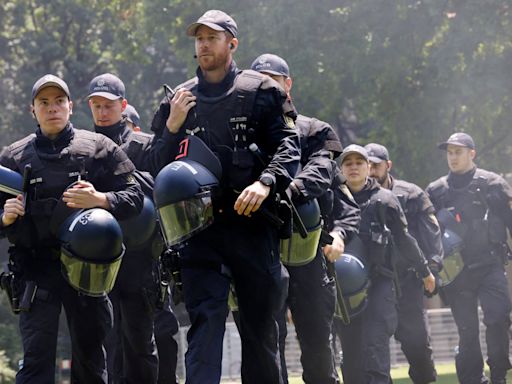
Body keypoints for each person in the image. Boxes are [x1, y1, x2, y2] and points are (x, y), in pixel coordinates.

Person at [148, 9, 300, 384]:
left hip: (253, 228)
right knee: (205, 323)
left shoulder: (262, 92)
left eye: (211, 37)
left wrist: (265, 182)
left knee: (260, 333)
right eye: (198, 38)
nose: (203, 45)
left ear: (232, 43)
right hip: (200, 234)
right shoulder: (178, 100)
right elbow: (152, 165)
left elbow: (289, 146)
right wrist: (171, 127)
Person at [0, 74, 143, 383]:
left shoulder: (99, 148)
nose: (53, 108)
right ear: (32, 110)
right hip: (34, 270)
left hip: (89, 271)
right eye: (44, 103)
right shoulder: (12, 157)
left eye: (59, 101)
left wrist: (101, 198)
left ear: (70, 106)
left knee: (91, 364)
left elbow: (135, 198)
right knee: (36, 364)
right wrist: (5, 217)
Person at [251, 53, 360, 384]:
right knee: (267, 346)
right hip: (260, 253)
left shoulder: (314, 130)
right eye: (260, 82)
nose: (267, 87)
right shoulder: (244, 138)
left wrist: (339, 234)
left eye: (273, 80)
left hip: (309, 254)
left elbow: (331, 183)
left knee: (317, 346)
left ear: (288, 84)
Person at [88, 73, 166, 384]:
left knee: (140, 343)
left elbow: (164, 185)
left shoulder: (146, 146)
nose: (102, 112)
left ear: (123, 106)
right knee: (104, 344)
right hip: (99, 257)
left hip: (141, 257)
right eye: (96, 106)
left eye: (108, 105)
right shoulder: (84, 147)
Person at [335, 144, 435, 383]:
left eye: (359, 163)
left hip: (380, 283)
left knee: (375, 348)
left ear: (368, 167)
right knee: (351, 359)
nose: (354, 168)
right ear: (341, 169)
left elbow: (404, 239)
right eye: (348, 164)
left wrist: (425, 271)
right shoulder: (332, 199)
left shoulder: (385, 200)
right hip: (344, 292)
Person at [425, 132, 512, 384]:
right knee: (467, 332)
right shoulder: (436, 190)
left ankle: (498, 376)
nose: (452, 157)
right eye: (449, 152)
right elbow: (427, 233)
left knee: (497, 318)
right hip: (457, 273)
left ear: (471, 153)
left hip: (490, 266)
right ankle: (473, 380)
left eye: (458, 152)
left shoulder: (492, 184)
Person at [365, 142, 443, 383]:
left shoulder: (411, 194)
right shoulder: (354, 196)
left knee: (417, 344)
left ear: (388, 166)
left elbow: (431, 233)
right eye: (367, 165)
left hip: (408, 281)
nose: (371, 171)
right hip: (373, 283)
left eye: (376, 166)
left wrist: (431, 268)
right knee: (374, 347)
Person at [122, 101, 181, 384]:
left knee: (163, 333)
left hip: (154, 263)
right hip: (120, 265)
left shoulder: (152, 152)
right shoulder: (99, 155)